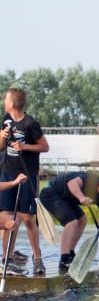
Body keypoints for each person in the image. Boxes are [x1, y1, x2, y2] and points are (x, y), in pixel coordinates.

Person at [0, 87, 49, 276]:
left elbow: (45, 147)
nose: (4, 101)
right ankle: (7, 259)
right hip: (7, 173)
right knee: (7, 218)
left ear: (12, 103)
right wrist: (3, 138)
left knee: (28, 218)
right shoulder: (5, 119)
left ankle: (37, 259)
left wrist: (24, 146)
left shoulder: (30, 124)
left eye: (5, 99)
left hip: (27, 174)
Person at [39, 171, 99, 273]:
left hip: (66, 199)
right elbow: (72, 183)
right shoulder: (92, 180)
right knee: (71, 222)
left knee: (82, 220)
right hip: (51, 193)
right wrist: (81, 198)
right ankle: (64, 259)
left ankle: (71, 253)